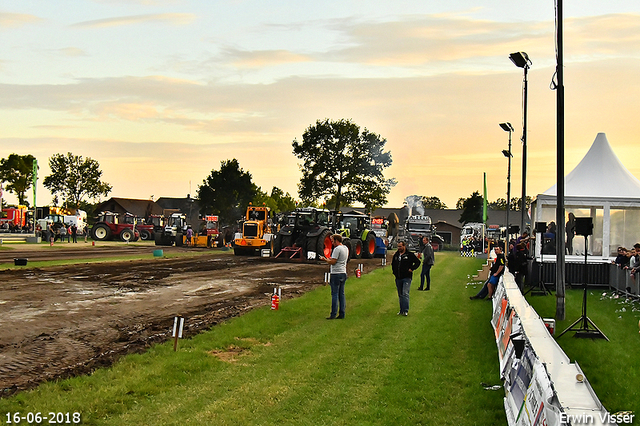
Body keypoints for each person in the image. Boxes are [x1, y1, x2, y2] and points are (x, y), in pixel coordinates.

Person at [319, 234, 349, 319]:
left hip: (336, 273)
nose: (332, 243)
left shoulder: (337, 249)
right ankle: (342, 313)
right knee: (341, 294)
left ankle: (333, 314)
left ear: (336, 240)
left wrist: (325, 259)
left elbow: (333, 262)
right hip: (343, 272)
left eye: (332, 241)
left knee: (335, 294)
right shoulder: (345, 248)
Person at [391, 241, 421, 316]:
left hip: (406, 277)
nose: (399, 248)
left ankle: (405, 310)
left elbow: (418, 262)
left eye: (400, 246)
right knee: (400, 294)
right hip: (398, 278)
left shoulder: (410, 255)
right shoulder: (396, 255)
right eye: (398, 246)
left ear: (404, 246)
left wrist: (411, 269)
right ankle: (401, 310)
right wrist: (394, 272)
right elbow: (393, 264)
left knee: (405, 293)